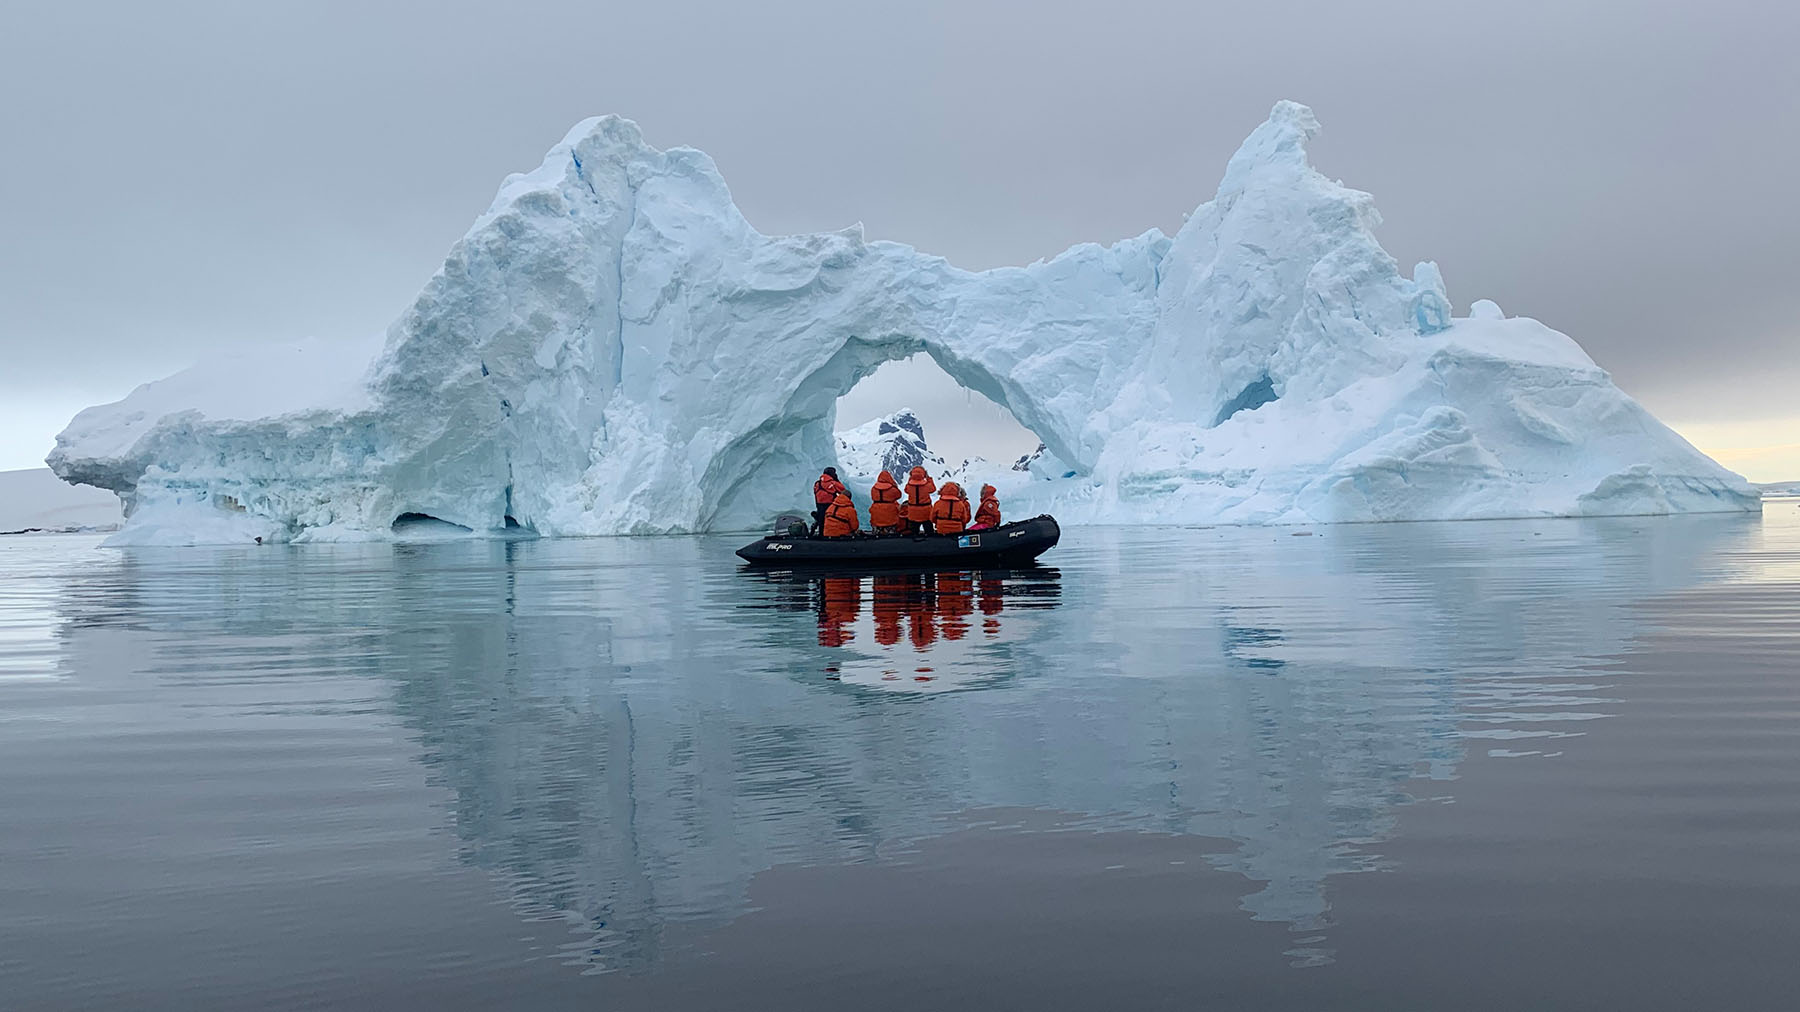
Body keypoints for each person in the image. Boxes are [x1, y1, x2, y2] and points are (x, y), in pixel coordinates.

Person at [811, 466, 845, 535]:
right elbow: (843, 490)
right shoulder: (833, 483)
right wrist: (836, 480)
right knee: (829, 520)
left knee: (821, 520)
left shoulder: (817, 483)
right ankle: (829, 534)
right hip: (830, 505)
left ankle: (820, 534)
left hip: (819, 505)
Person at [903, 466, 936, 535]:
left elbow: (906, 490)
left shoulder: (909, 486)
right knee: (929, 531)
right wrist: (928, 478)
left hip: (913, 512)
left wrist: (911, 479)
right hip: (926, 512)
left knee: (914, 531)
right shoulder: (927, 485)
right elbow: (933, 489)